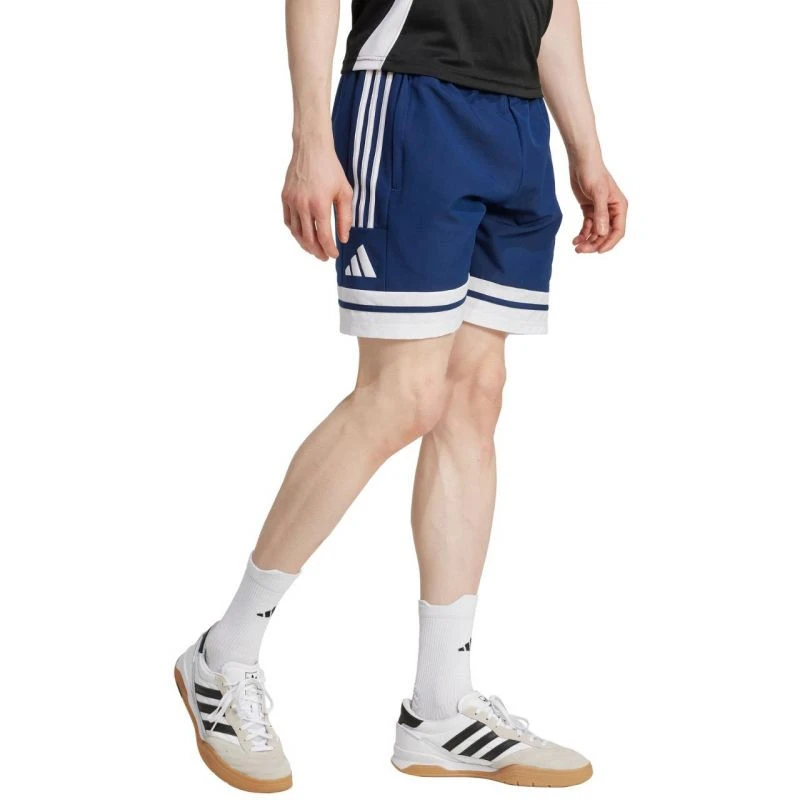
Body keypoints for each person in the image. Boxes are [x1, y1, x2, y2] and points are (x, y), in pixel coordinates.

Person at [175, 0, 627, 791]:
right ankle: (224, 653)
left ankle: (440, 709)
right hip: (411, 97)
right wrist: (311, 137)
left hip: (519, 119)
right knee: (402, 396)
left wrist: (587, 148)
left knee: (474, 398)